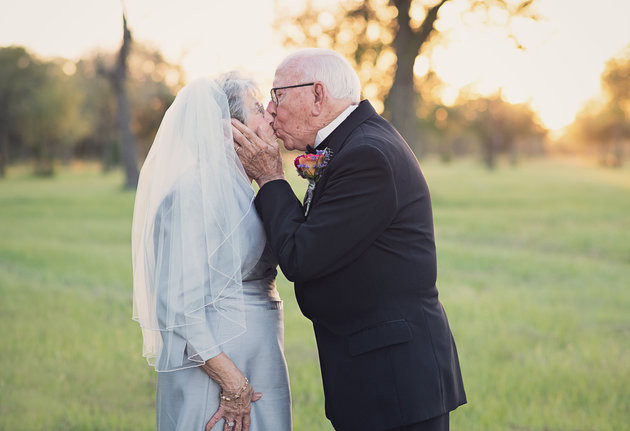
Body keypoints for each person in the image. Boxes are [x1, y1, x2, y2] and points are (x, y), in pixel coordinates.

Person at [232, 49, 466, 431]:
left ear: (317, 94)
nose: (272, 111)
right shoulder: (351, 144)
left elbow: (301, 256)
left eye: (278, 96)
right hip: (375, 376)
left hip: (394, 383)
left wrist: (271, 177)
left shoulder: (366, 156)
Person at [131, 72, 292, 431]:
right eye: (256, 108)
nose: (269, 113)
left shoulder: (243, 190)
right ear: (226, 128)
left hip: (257, 359)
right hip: (218, 372)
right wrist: (232, 381)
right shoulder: (194, 194)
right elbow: (177, 304)